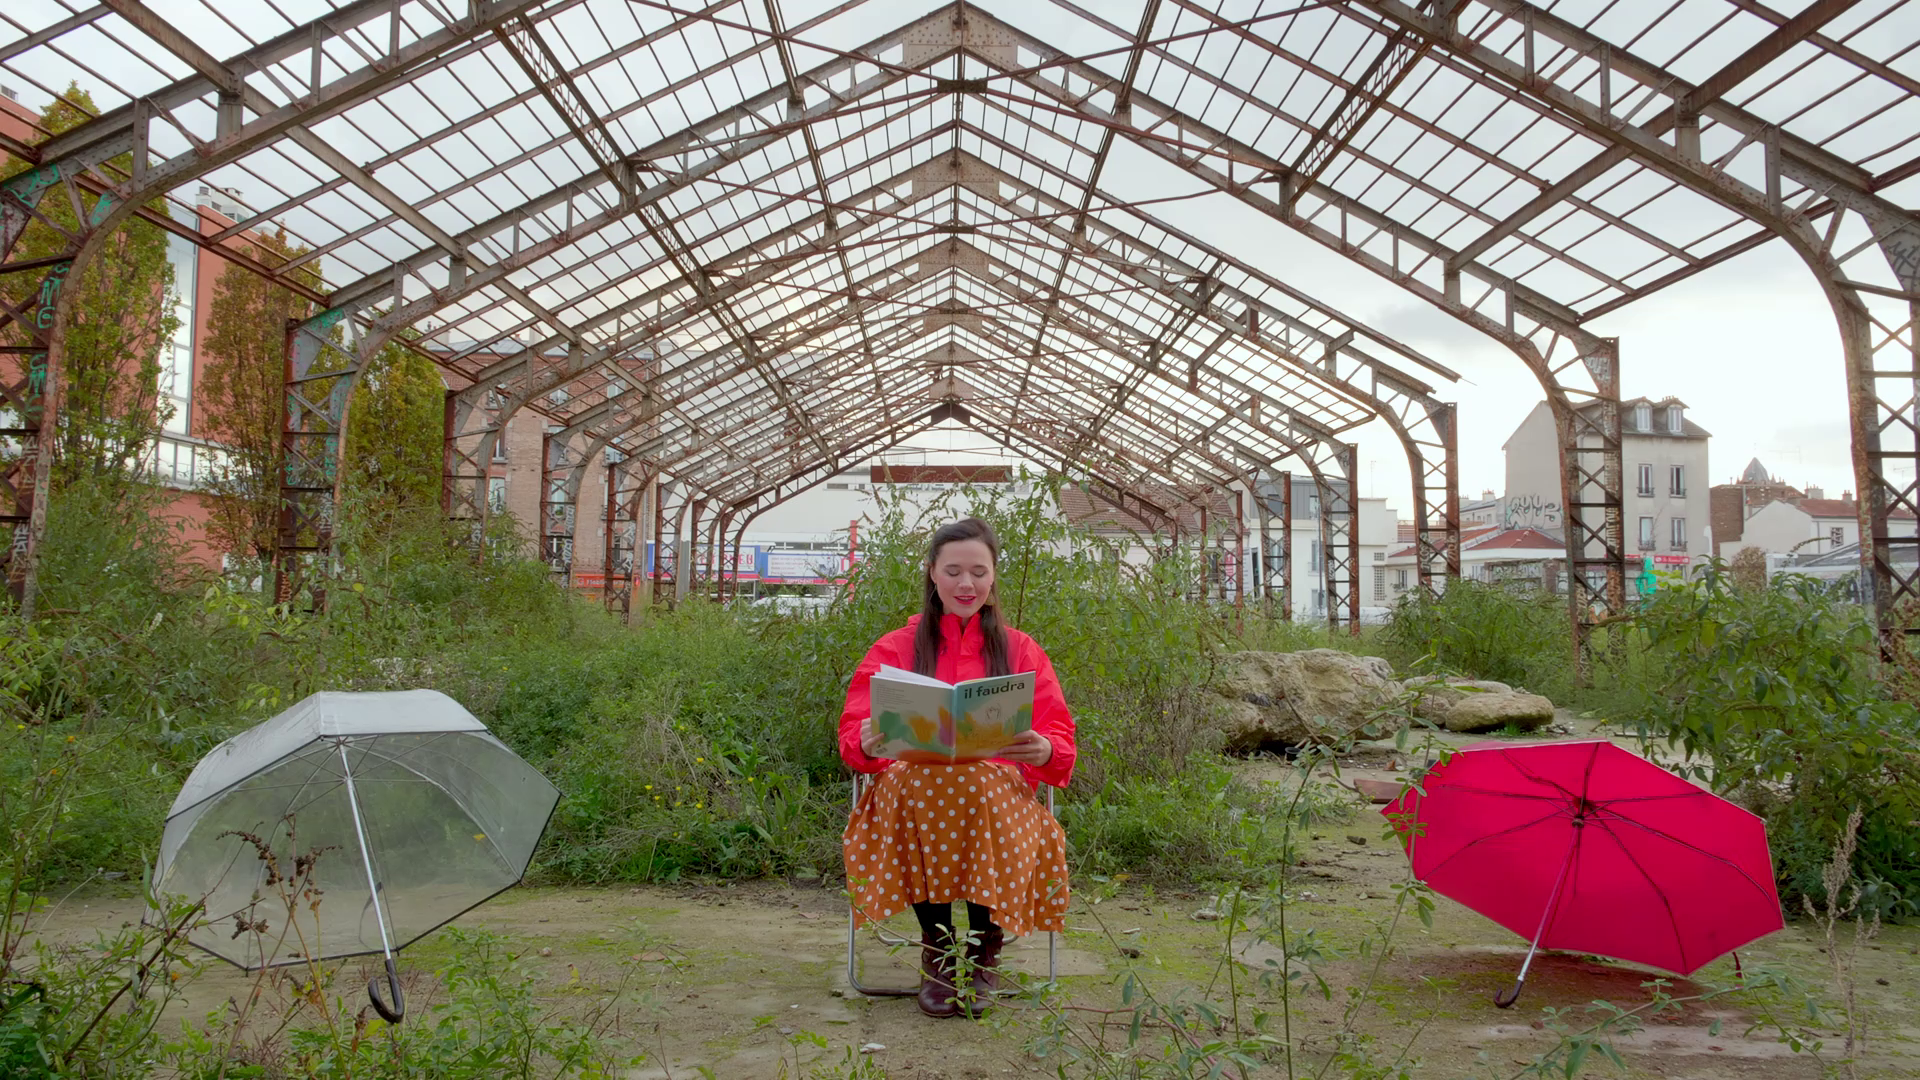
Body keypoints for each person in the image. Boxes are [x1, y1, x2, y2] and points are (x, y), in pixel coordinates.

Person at [839, 517, 1075, 1019]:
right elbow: (853, 738)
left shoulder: (1020, 649)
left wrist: (1045, 750)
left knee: (974, 782)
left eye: (978, 572)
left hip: (996, 794)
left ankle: (985, 944)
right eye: (953, 572)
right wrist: (865, 740)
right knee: (926, 782)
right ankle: (940, 948)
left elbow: (1058, 733)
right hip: (914, 789)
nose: (966, 584)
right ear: (932, 573)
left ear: (993, 577)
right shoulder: (894, 648)